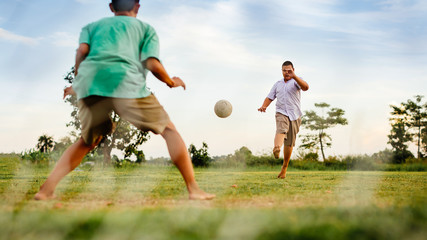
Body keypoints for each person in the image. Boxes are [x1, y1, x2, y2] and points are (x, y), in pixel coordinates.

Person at [35, 0, 215, 200]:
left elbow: (81, 52)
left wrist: (79, 84)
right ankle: (194, 189)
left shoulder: (91, 28)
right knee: (169, 131)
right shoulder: (145, 29)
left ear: (111, 7)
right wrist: (171, 82)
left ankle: (46, 190)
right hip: (127, 86)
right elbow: (152, 63)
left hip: (92, 87)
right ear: (137, 6)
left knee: (88, 141)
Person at [258, 61, 309, 178]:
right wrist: (264, 106)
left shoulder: (296, 81)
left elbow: (306, 87)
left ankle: (284, 168)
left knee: (289, 143)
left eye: (289, 70)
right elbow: (269, 97)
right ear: (281, 71)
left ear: (293, 70)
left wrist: (294, 76)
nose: (286, 73)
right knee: (281, 129)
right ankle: (277, 147)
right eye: (284, 70)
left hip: (295, 115)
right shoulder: (278, 84)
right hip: (281, 112)